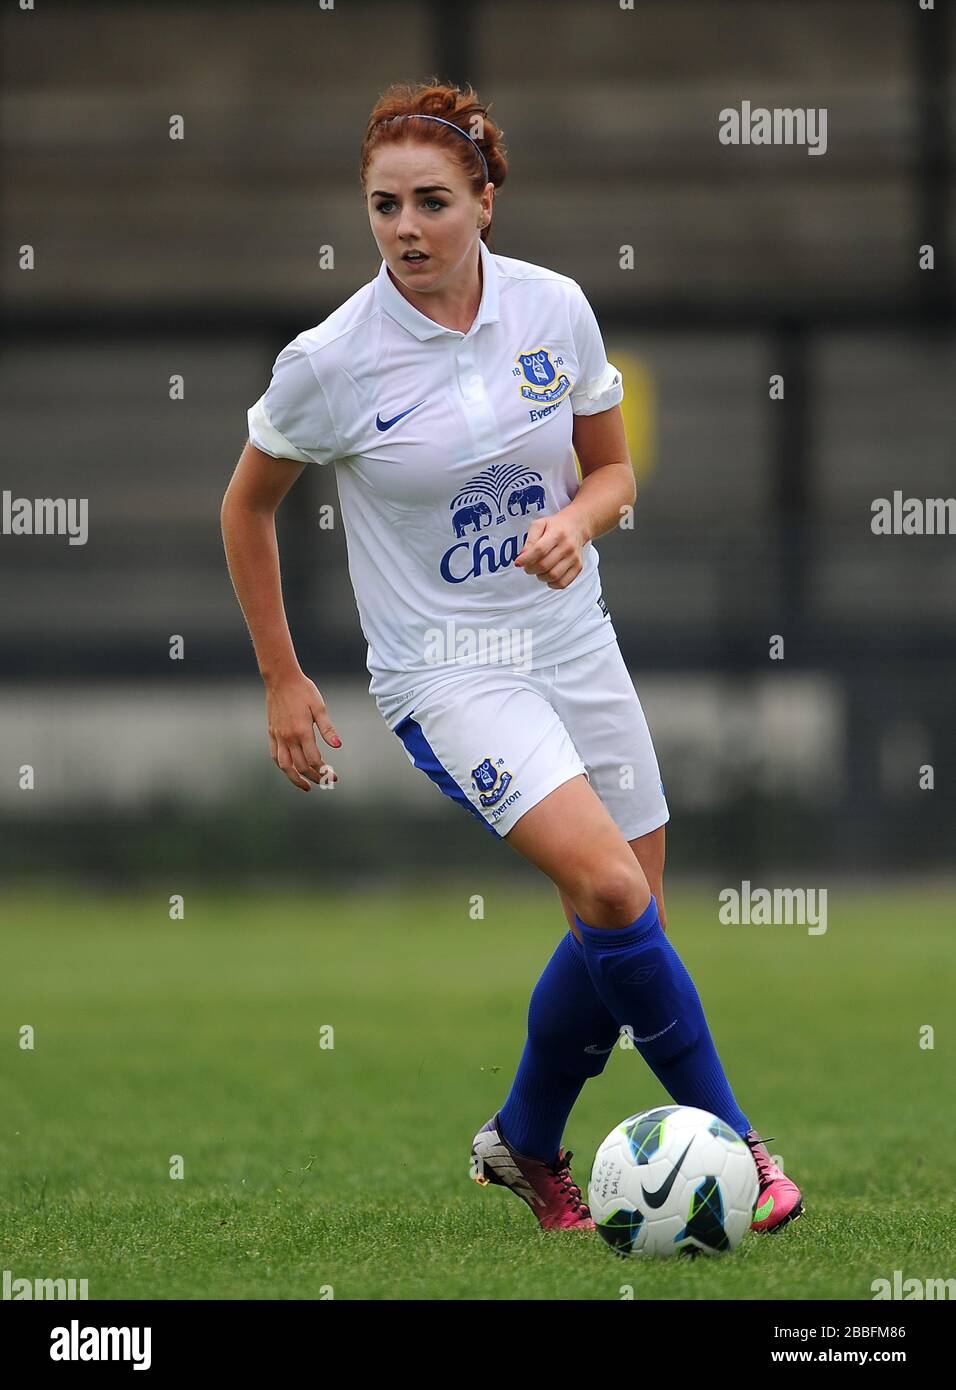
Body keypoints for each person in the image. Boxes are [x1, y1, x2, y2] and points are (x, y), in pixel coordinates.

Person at [221, 79, 802, 1236]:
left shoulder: (555, 310)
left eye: (431, 201)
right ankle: (740, 1145)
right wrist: (282, 677)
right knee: (607, 889)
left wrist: (575, 522)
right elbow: (244, 509)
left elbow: (613, 473)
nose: (404, 229)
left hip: (571, 635)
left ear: (485, 201)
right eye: (383, 205)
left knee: (629, 917)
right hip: (445, 671)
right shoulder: (330, 360)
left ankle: (523, 1142)